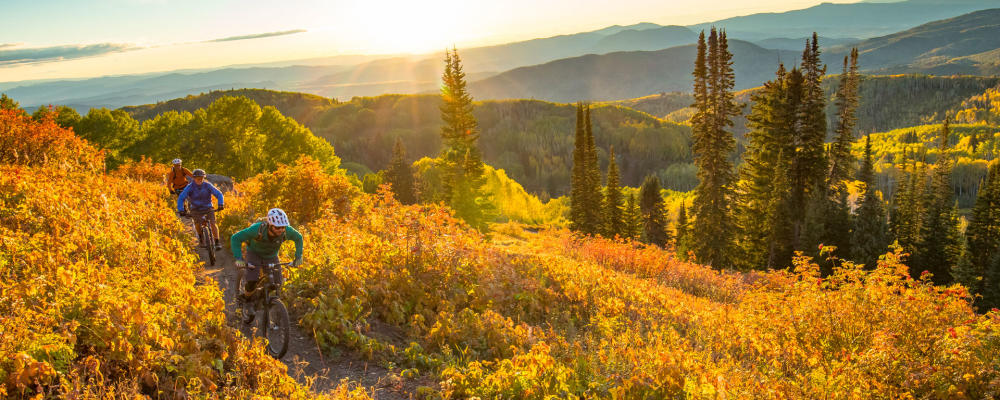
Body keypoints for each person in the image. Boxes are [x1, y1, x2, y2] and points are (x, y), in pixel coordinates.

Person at [231, 208, 303, 323]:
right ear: (270, 225)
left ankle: (262, 296)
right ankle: (247, 299)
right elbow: (235, 238)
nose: (281, 230)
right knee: (252, 280)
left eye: (283, 227)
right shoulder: (257, 229)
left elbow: (298, 238)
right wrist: (239, 258)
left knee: (277, 283)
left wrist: (298, 257)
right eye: (277, 227)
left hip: (271, 255)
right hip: (254, 253)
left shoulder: (286, 231)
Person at [177, 169, 224, 251]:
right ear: (194, 178)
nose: (199, 179)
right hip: (195, 209)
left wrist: (221, 204)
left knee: (213, 223)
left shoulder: (207, 185)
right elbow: (181, 197)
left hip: (208, 208)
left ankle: (217, 241)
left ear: (203, 178)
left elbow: (219, 194)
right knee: (197, 223)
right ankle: (201, 237)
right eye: (197, 178)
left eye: (201, 178)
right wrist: (181, 210)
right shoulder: (190, 187)